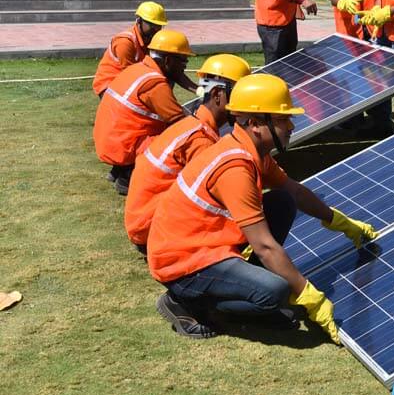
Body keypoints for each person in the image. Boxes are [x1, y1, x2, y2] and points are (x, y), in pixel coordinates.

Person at [147, 74, 379, 341]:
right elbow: (265, 247)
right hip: (185, 264)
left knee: (283, 200)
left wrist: (339, 221)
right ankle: (186, 303)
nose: (291, 126)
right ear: (256, 123)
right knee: (276, 292)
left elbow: (295, 191)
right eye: (282, 119)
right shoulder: (235, 169)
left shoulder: (250, 150)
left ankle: (245, 287)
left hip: (205, 247)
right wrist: (310, 297)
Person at [124, 54, 252, 254]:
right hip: (152, 229)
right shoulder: (200, 141)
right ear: (218, 94)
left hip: (144, 221)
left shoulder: (192, 125)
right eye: (239, 96)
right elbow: (225, 194)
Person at [92, 30, 194, 195]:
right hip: (122, 145)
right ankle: (128, 177)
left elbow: (178, 77)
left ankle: (121, 170)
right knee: (178, 141)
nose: (185, 65)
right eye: (183, 60)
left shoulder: (139, 69)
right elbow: (181, 123)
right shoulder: (155, 84)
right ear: (168, 60)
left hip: (110, 138)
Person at [92, 1, 197, 97]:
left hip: (135, 80)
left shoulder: (154, 40)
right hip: (110, 86)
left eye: (159, 25)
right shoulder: (125, 42)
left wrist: (199, 90)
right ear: (139, 21)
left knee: (166, 76)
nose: (156, 29)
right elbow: (131, 77)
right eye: (151, 25)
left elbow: (174, 71)